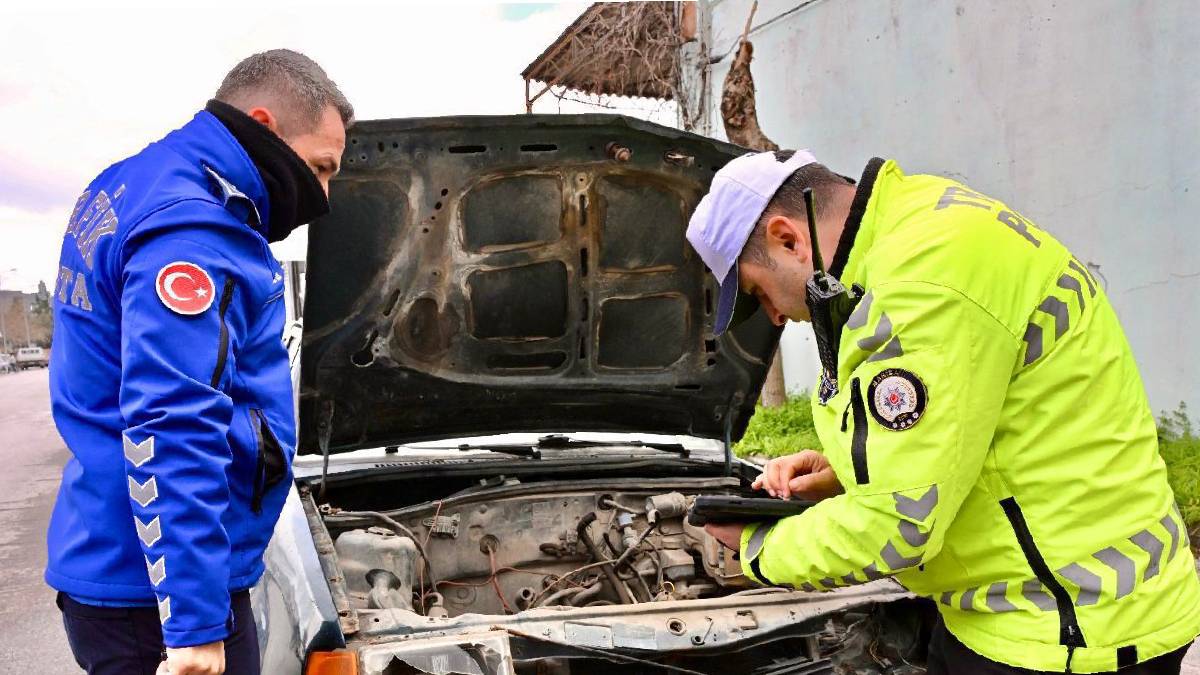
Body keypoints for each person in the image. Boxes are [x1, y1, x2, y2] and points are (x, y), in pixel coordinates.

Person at [686, 150, 1200, 673]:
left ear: (788, 238)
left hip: (1069, 625)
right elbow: (981, 416)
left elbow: (897, 524)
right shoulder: (920, 220)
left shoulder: (921, 285)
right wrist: (846, 471)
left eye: (758, 292)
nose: (774, 315)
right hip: (1029, 601)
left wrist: (756, 549)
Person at [45, 49, 352, 675]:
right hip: (157, 601)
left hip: (122, 564)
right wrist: (193, 627)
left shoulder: (133, 184)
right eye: (321, 169)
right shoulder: (194, 234)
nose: (322, 194)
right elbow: (173, 424)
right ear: (265, 127)